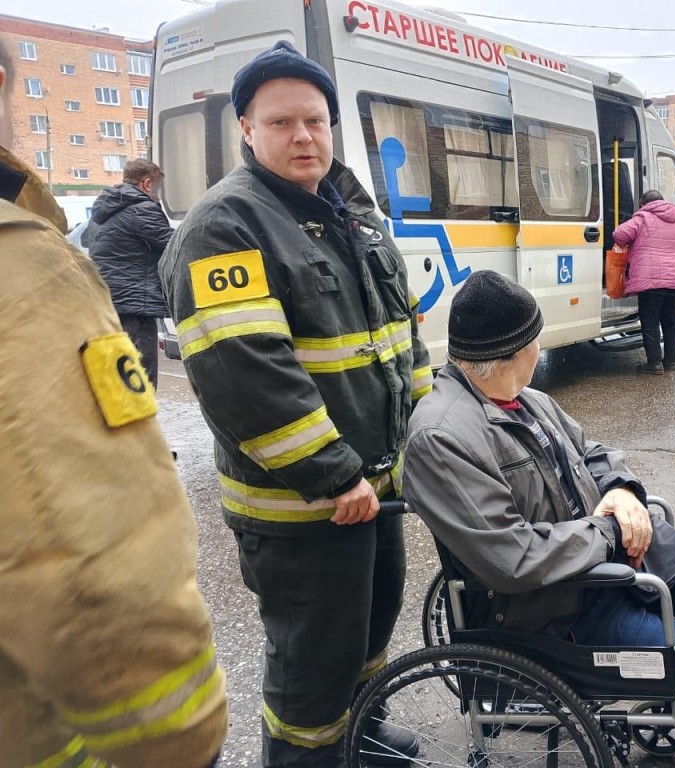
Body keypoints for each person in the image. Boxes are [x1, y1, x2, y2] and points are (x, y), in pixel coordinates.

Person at [160, 40, 432, 767]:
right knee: (314, 665)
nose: (302, 135)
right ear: (246, 130)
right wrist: (331, 473)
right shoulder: (226, 226)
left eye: (314, 120)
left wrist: (429, 442)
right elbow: (245, 372)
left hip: (377, 491)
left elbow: (402, 341)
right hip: (305, 506)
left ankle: (363, 735)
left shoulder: (352, 214)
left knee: (371, 632)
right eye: (280, 123)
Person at [403, 270, 675, 768]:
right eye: (535, 340)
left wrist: (623, 492)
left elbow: (594, 451)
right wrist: (608, 532)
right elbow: (511, 559)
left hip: (605, 571)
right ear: (517, 352)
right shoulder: (442, 437)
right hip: (554, 609)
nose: (540, 347)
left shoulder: (527, 400)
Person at [0, 39, 227, 767]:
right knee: (132, 390)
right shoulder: (25, 262)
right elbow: (78, 548)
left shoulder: (96, 212)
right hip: (41, 735)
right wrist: (182, 737)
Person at [89, 158, 173, 389]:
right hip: (136, 302)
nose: (158, 194)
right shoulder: (142, 209)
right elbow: (174, 247)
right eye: (157, 187)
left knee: (121, 369)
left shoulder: (105, 210)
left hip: (110, 301)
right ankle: (140, 422)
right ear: (147, 184)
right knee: (141, 374)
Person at [613, 189, 675, 374]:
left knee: (650, 321)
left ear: (644, 204)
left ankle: (654, 364)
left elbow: (619, 235)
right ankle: (671, 362)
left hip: (650, 280)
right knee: (671, 321)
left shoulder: (643, 218)